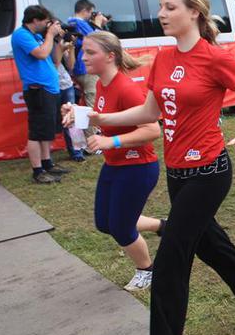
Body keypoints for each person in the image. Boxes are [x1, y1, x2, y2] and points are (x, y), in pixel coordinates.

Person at [93, 0, 235, 335]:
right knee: (210, 242)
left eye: (170, 6)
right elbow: (149, 112)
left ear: (194, 12)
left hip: (210, 172)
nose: (161, 13)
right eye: (161, 6)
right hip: (177, 172)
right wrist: (100, 119)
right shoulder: (163, 57)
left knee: (172, 260)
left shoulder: (215, 58)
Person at [62, 31, 163, 291]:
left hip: (138, 167)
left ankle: (147, 270)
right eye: (83, 52)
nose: (83, 58)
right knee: (104, 222)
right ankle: (163, 226)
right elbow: (104, 117)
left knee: (120, 227)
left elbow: (153, 130)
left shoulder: (126, 88)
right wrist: (76, 113)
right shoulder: (101, 84)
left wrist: (112, 142)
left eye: (90, 52)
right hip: (115, 165)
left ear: (110, 56)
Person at [11, 5, 69, 184]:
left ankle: (47, 163)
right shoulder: (21, 35)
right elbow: (42, 54)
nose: (47, 25)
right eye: (45, 21)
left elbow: (55, 61)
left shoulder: (37, 37)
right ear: (35, 20)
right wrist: (50, 35)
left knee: (47, 131)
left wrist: (59, 41)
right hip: (37, 90)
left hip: (49, 89)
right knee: (37, 132)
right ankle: (37, 171)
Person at [68, 0, 99, 141]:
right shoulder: (80, 23)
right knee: (91, 104)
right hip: (86, 69)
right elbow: (98, 39)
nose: (90, 16)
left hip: (76, 70)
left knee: (84, 104)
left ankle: (87, 138)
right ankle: (92, 139)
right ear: (85, 10)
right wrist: (98, 23)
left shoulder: (70, 23)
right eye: (91, 13)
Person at [52, 33, 83, 162]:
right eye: (57, 25)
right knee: (54, 119)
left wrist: (71, 47)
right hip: (52, 85)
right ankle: (46, 158)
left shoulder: (61, 42)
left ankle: (77, 151)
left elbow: (71, 65)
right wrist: (60, 48)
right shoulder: (45, 44)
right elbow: (55, 63)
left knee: (71, 118)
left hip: (66, 84)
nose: (61, 29)